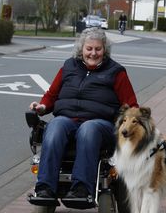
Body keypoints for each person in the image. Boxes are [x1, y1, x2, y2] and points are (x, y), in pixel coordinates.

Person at [29, 27, 138, 201]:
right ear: (81, 49)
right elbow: (52, 95)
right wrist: (42, 106)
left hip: (100, 124)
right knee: (55, 126)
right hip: (67, 120)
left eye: (98, 49)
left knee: (88, 128)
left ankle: (81, 188)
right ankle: (44, 188)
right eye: (89, 49)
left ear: (105, 50)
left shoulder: (116, 72)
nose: (93, 53)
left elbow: (131, 106)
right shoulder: (69, 66)